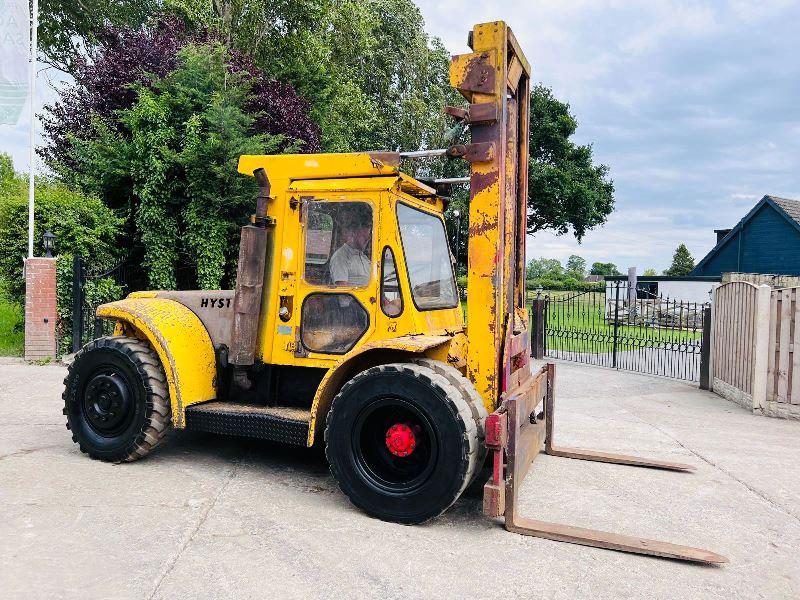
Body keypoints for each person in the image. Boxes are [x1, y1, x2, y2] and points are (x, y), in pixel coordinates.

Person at [329, 205, 372, 287]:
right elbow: (342, 290)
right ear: (354, 233)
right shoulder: (341, 257)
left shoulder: (363, 257)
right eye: (364, 237)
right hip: (354, 300)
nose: (369, 238)